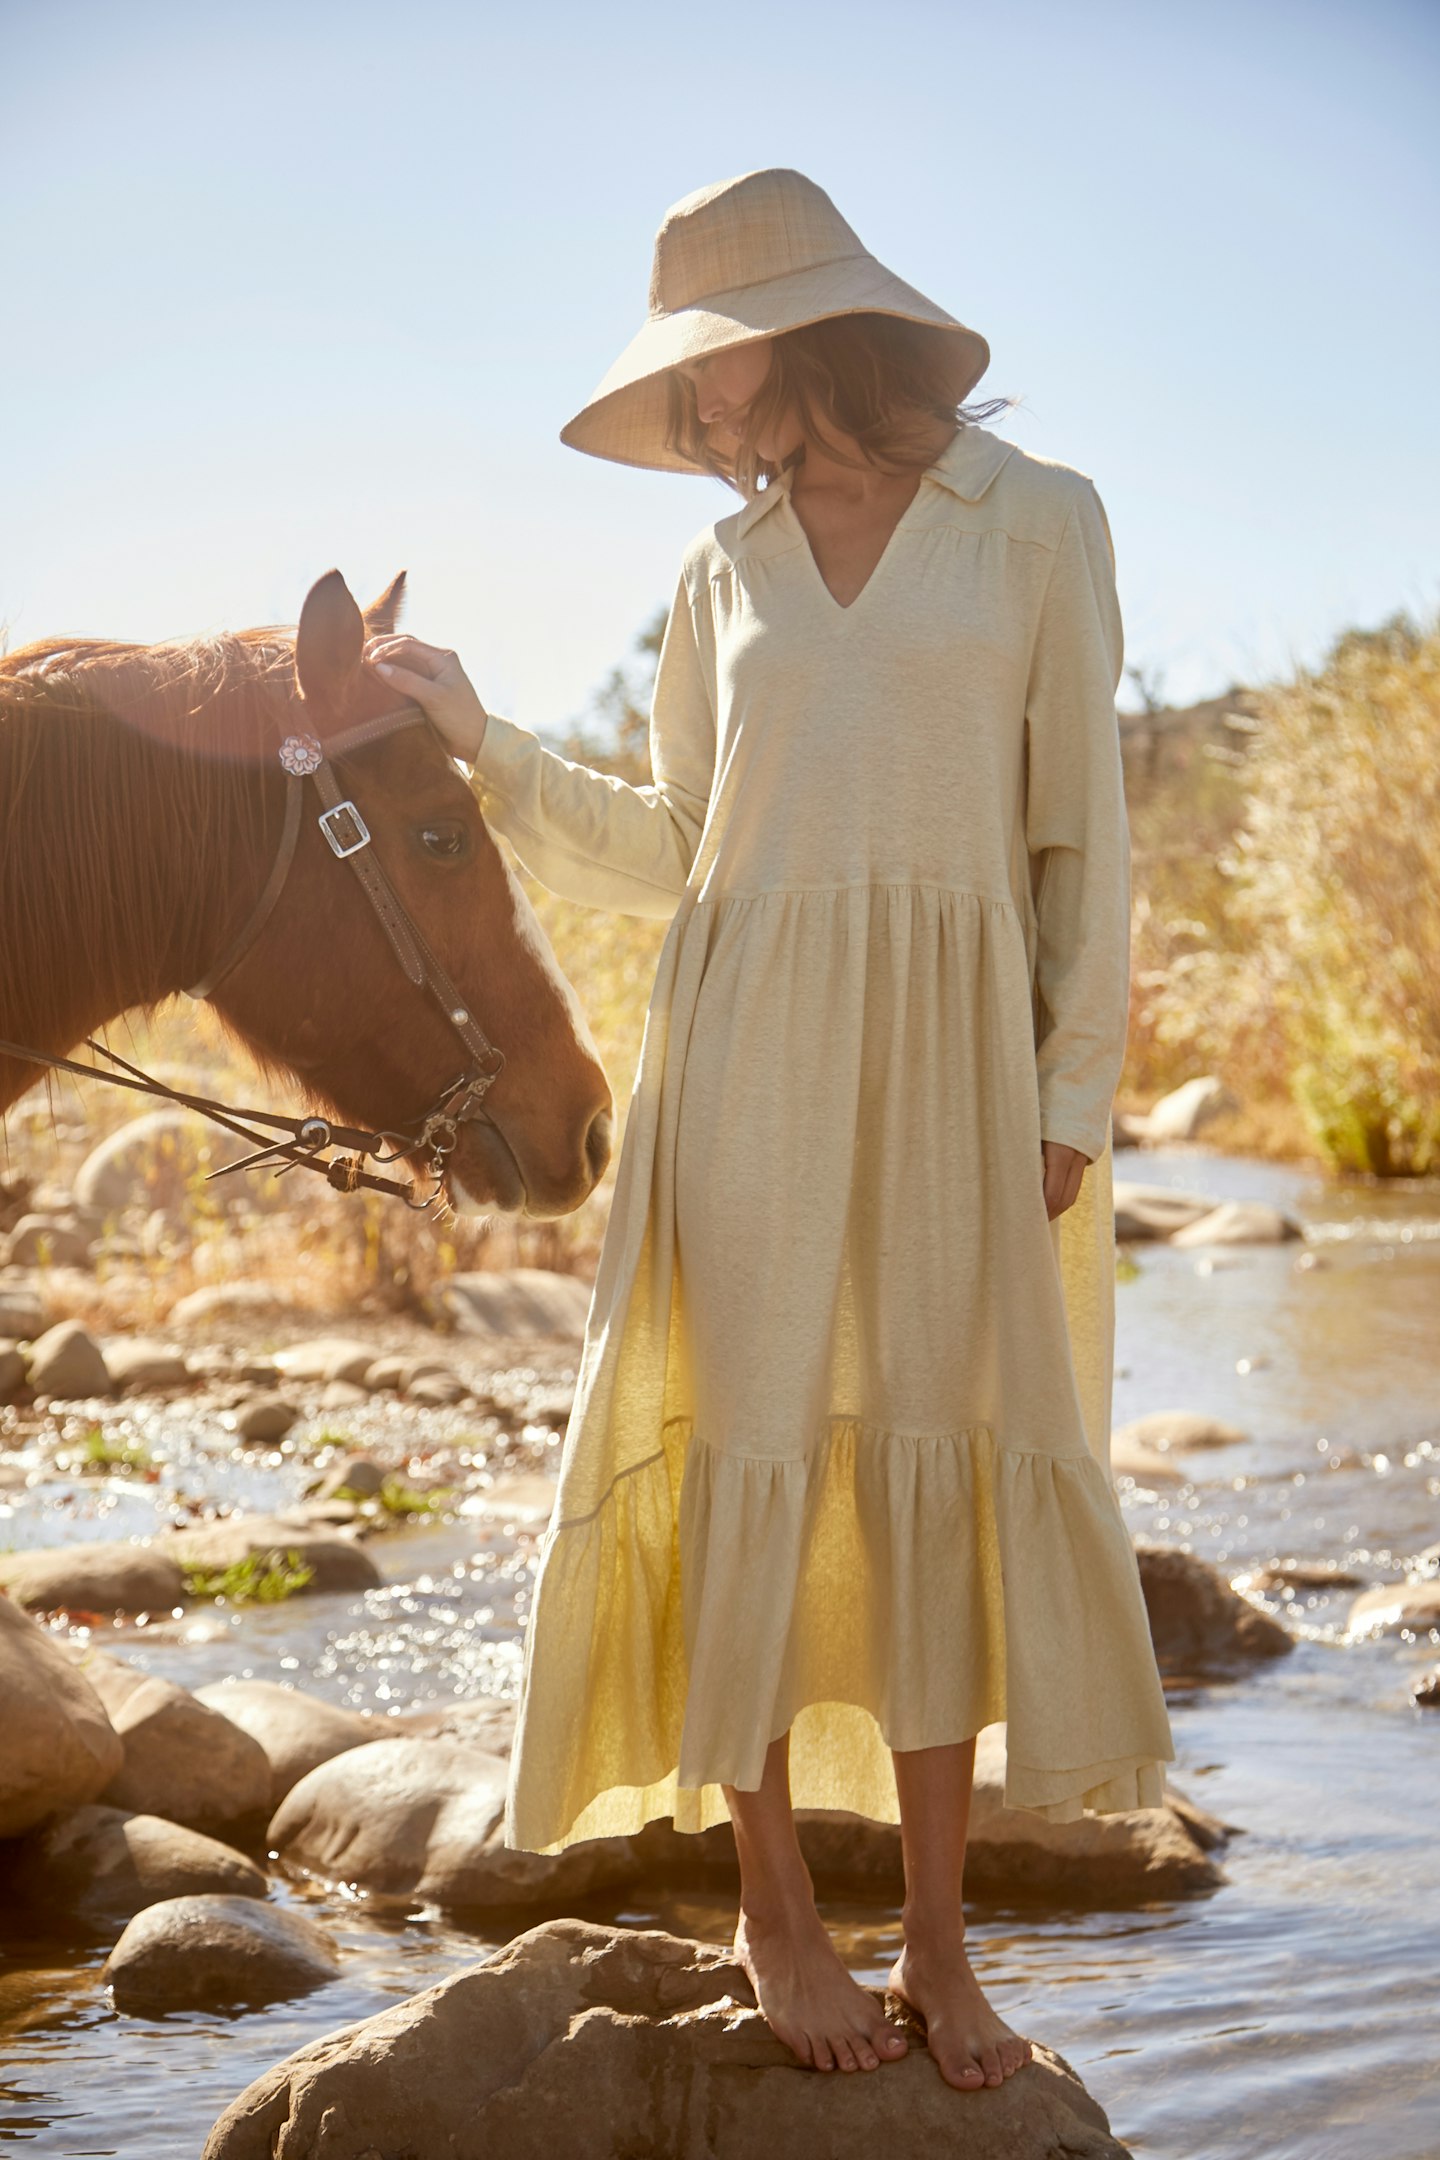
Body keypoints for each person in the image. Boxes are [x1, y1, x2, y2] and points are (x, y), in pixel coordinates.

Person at [366, 166, 1176, 2094]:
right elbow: (672, 850)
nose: (695, 422)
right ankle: (773, 1906)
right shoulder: (718, 575)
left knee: (937, 1474)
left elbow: (1088, 842)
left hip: (956, 1062)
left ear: (802, 339)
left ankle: (944, 1947)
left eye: (707, 379)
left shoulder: (1038, 525)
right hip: (741, 1053)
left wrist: (1072, 1092)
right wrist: (480, 739)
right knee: (740, 1449)